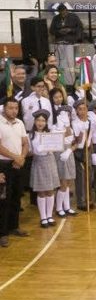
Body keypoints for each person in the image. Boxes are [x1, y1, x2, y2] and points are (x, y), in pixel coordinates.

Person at [0, 98, 29, 246]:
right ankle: (2, 233)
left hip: (18, 165)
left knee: (17, 197)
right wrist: (15, 157)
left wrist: (21, 157)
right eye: (10, 108)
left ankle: (14, 226)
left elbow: (25, 143)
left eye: (16, 108)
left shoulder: (20, 123)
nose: (14, 111)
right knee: (4, 199)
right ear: (4, 108)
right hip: (4, 165)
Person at [49, 3, 84, 85]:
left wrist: (70, 30)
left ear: (66, 10)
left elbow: (80, 28)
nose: (63, 13)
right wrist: (59, 31)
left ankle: (71, 82)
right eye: (61, 12)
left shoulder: (74, 17)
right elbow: (51, 30)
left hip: (71, 41)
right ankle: (59, 81)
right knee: (59, 63)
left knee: (70, 63)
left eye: (64, 12)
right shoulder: (56, 18)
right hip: (59, 41)